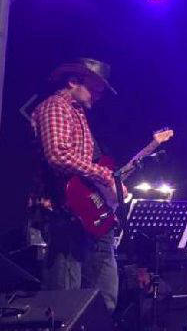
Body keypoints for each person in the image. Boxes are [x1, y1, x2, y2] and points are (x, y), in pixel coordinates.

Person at [31, 58, 120, 313]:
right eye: (94, 88)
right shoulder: (56, 107)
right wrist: (104, 175)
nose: (98, 95)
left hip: (82, 211)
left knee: (101, 297)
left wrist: (108, 186)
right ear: (73, 82)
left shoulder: (78, 113)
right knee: (66, 300)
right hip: (62, 210)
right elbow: (58, 156)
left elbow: (82, 166)